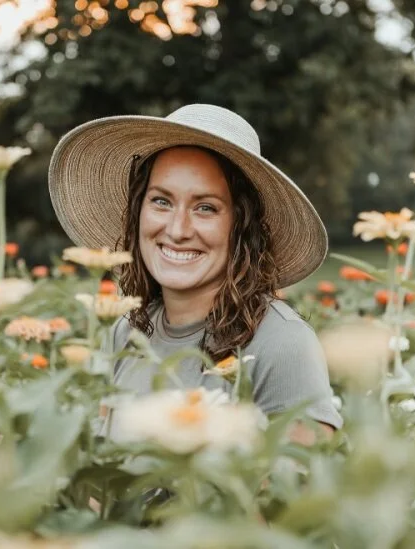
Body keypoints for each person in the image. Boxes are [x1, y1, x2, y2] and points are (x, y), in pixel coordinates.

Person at [48, 104, 342, 442]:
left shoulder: (281, 343)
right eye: (161, 201)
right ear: (138, 212)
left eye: (205, 208)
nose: (178, 229)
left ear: (240, 226)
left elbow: (305, 487)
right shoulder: (125, 331)